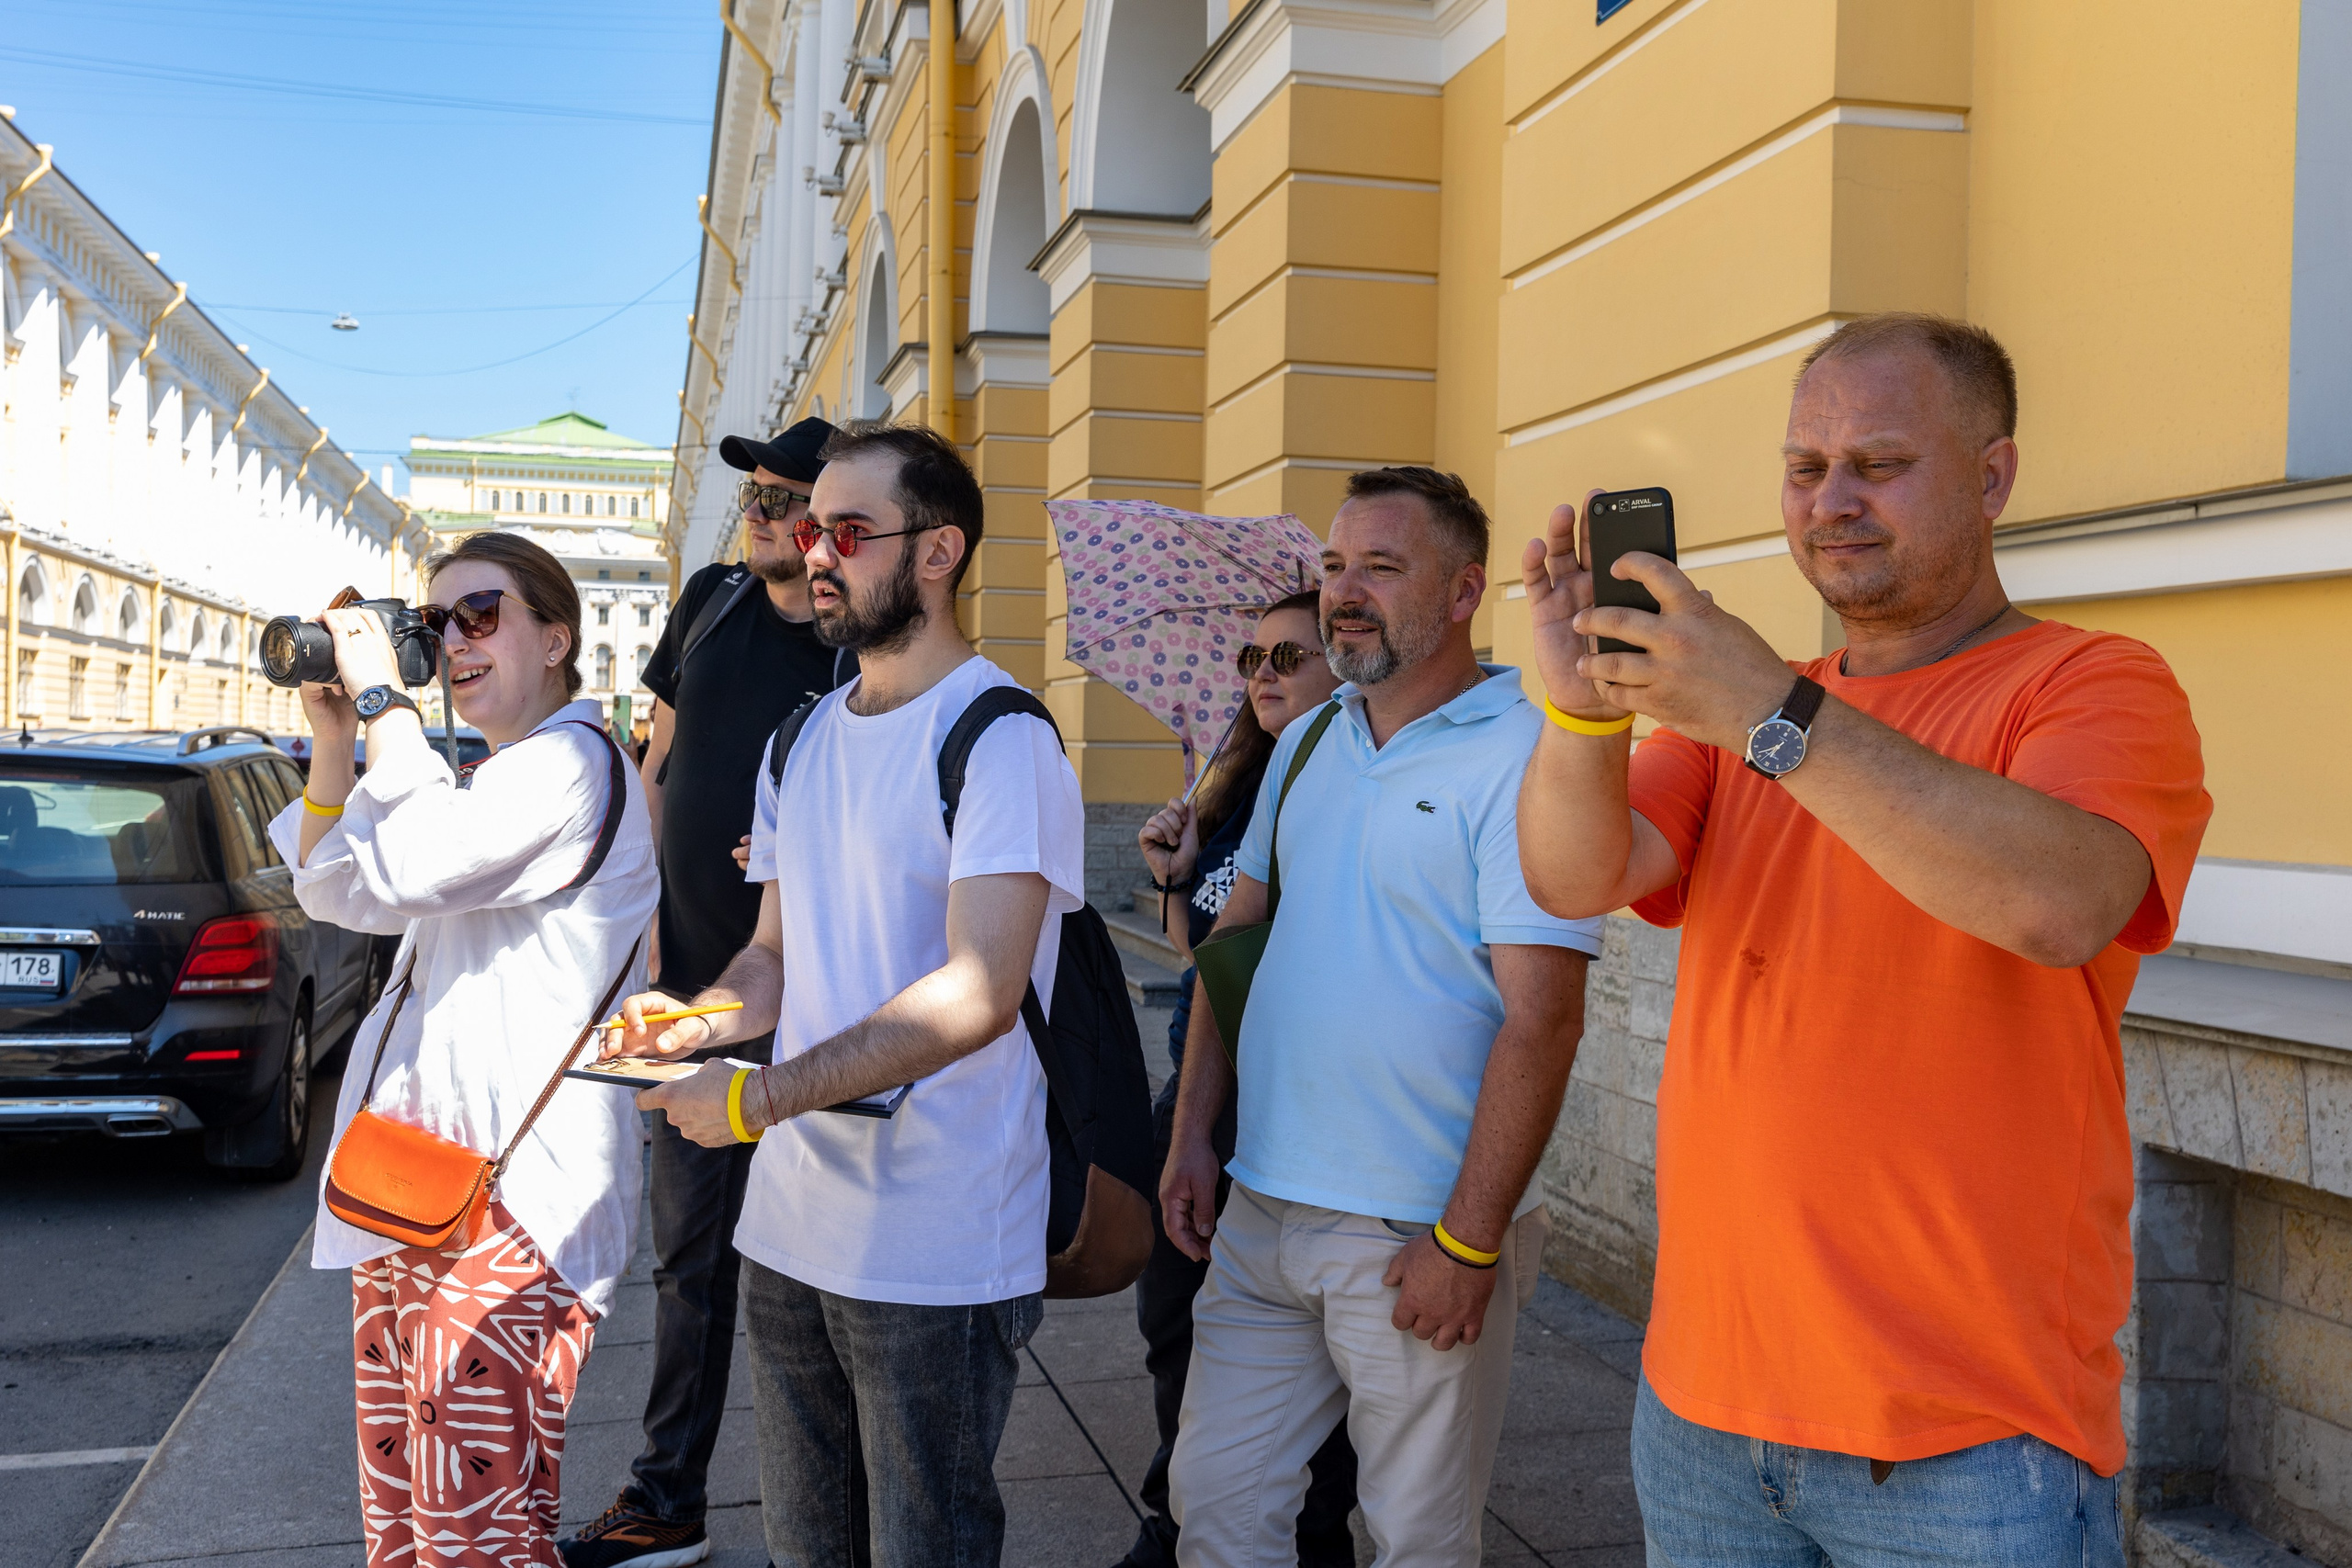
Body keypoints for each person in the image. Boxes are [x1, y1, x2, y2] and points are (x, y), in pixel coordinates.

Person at [1515, 313, 2212, 1567]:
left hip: (1967, 1437)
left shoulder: (2095, 683)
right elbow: (1576, 873)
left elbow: (2060, 904)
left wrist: (1771, 713)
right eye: (1804, 466)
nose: (1830, 500)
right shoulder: (1744, 694)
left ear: (1991, 477)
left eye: (1877, 465)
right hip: (1700, 1414)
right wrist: (1580, 711)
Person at [602, 423, 1084, 1568]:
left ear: (938, 551)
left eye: (848, 530)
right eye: (811, 526)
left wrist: (753, 1102)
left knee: (927, 1546)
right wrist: (683, 1026)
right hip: (791, 1228)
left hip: (937, 1240)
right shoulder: (801, 739)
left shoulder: (999, 735)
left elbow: (979, 993)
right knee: (806, 1547)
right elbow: (774, 959)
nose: (814, 551)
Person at [1162, 467, 1600, 1567]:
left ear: (1463, 593)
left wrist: (1469, 1235)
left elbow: (1543, 1021)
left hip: (1415, 1227)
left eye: (1381, 569)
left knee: (1415, 1540)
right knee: (1214, 1510)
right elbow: (1234, 949)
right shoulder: (1308, 740)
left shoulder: (1527, 749)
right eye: (1333, 568)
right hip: (1263, 1209)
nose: (1343, 594)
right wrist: (1192, 1135)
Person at [270, 530, 657, 1568]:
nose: (451, 643)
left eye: (479, 615)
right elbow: (338, 887)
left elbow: (425, 858)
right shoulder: (491, 778)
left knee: (478, 1538)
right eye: (435, 625)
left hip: (514, 1206)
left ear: (556, 637)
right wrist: (339, 738)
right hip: (417, 1186)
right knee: (404, 1526)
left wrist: (387, 704)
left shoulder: (574, 764)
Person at [565, 415, 854, 1568]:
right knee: (686, 1267)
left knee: (816, 1283)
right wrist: (621, 923)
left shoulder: (852, 643)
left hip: (820, 1016)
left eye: (790, 500)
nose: (765, 513)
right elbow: (656, 764)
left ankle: (839, 1508)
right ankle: (666, 1500)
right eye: (758, 495)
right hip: (689, 996)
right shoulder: (711, 599)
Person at [1124, 591, 1356, 1568]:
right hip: (1199, 1088)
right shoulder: (1238, 793)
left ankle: (1310, 1529)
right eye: (1252, 656)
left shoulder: (1349, 792)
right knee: (1174, 1317)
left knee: (1305, 1348)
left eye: (1288, 656)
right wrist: (1176, 875)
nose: (1262, 673)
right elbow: (1200, 960)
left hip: (1290, 1101)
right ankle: (1180, 1509)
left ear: (1340, 668)